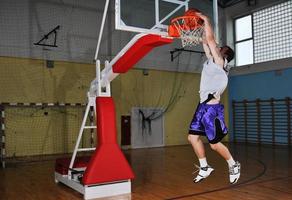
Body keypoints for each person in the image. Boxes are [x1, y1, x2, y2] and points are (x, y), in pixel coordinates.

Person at [187, 12, 241, 184]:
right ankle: (204, 167)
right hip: (202, 106)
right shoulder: (211, 59)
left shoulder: (220, 62)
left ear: (224, 54)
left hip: (211, 110)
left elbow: (210, 40)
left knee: (214, 144)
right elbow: (206, 41)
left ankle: (233, 164)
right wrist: (200, 26)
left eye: (221, 47)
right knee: (192, 137)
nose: (217, 46)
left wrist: (207, 20)